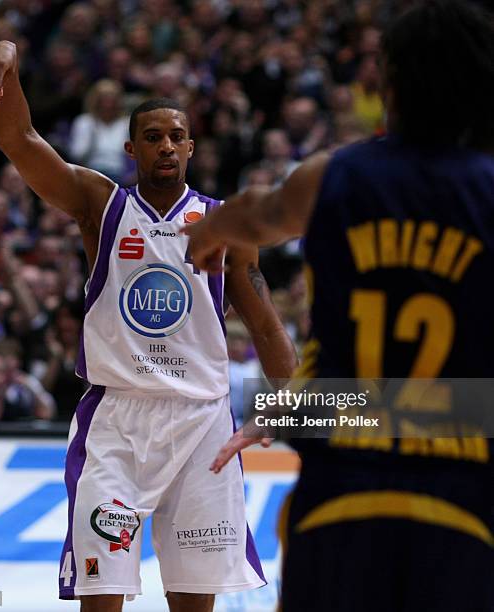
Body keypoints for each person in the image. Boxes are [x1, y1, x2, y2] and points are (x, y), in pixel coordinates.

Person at [184, 1, 494, 611]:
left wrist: (208, 233)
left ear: (390, 83)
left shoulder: (332, 176)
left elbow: (254, 211)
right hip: (464, 502)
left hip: (341, 493)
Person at [0, 41, 297, 612]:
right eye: (153, 136)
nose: (166, 145)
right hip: (117, 421)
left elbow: (268, 329)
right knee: (102, 596)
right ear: (131, 148)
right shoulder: (100, 205)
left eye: (176, 135)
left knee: (193, 601)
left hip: (203, 423)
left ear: (192, 146)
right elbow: (18, 141)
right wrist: (6, 63)